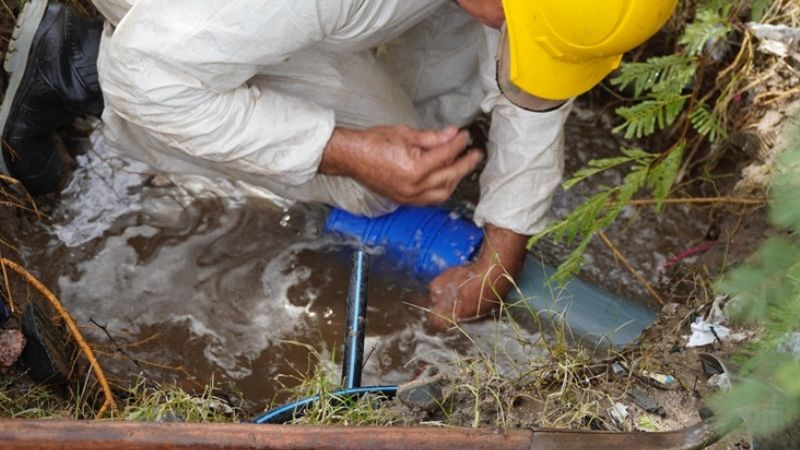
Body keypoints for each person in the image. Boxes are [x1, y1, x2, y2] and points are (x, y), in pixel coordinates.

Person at [0, 0, 677, 328]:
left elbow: (536, 89)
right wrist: (345, 152)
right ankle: (78, 64)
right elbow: (154, 72)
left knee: (438, 106)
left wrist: (500, 253)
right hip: (177, 38)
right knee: (377, 192)